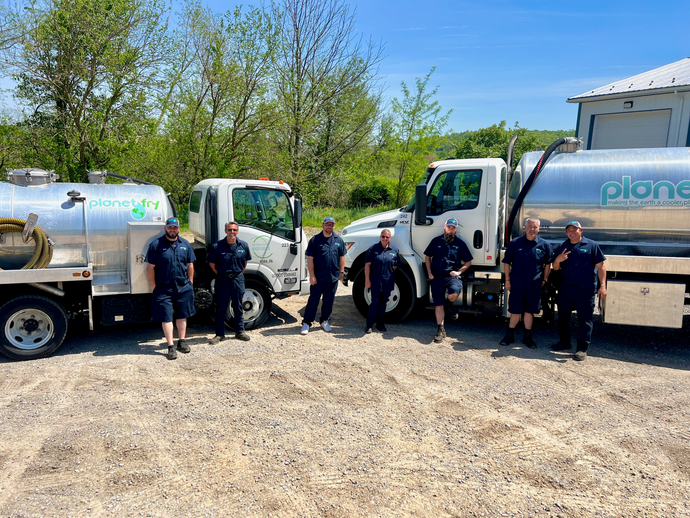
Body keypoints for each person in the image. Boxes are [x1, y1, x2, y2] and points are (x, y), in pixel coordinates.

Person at [551, 221, 607, 361]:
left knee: (585, 319)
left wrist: (603, 286)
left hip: (585, 289)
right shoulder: (563, 246)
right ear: (566, 232)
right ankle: (564, 342)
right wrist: (557, 260)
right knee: (563, 317)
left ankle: (582, 348)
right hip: (566, 288)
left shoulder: (592, 245)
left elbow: (601, 267)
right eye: (569, 230)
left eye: (575, 229)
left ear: (581, 230)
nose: (572, 232)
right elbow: (555, 267)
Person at [147, 217, 196, 360]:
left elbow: (190, 265)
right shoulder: (156, 245)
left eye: (175, 227)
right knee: (166, 317)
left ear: (179, 229)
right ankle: (170, 346)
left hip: (183, 287)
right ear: (165, 228)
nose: (172, 230)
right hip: (163, 288)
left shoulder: (185, 244)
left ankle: (182, 341)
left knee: (182, 315)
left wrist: (190, 283)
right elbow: (150, 267)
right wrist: (153, 286)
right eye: (170, 227)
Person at [500, 218, 553, 348]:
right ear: (525, 228)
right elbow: (506, 262)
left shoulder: (545, 245)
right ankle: (509, 335)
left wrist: (544, 279)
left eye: (535, 227)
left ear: (539, 228)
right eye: (530, 227)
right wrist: (507, 280)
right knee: (515, 310)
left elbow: (548, 264)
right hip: (516, 284)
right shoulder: (515, 243)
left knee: (529, 311)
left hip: (534, 285)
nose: (532, 230)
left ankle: (527, 336)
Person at [424, 218, 473, 343]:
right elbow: (427, 257)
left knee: (454, 293)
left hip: (451, 276)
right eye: (449, 227)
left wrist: (459, 272)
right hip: (437, 276)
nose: (451, 230)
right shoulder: (436, 241)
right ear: (445, 227)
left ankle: (450, 303)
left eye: (453, 228)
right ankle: (440, 330)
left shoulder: (460, 243)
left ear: (456, 229)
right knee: (438, 304)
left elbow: (468, 261)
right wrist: (429, 273)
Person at [207, 222, 252, 344]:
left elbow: (245, 263)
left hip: (238, 278)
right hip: (222, 279)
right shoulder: (217, 246)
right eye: (230, 230)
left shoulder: (244, 246)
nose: (232, 232)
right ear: (225, 231)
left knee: (238, 306)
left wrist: (236, 273)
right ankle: (219, 335)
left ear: (237, 231)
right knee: (221, 307)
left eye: (234, 230)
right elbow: (212, 263)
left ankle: (240, 332)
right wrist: (222, 274)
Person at [300, 216, 346, 335]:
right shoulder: (315, 240)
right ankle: (307, 323)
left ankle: (324, 320)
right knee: (313, 300)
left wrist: (341, 271)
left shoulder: (338, 240)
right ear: (323, 225)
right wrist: (312, 275)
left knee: (329, 301)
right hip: (318, 277)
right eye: (327, 224)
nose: (329, 227)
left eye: (331, 225)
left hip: (332, 277)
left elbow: (342, 257)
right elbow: (310, 258)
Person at [364, 229, 399, 334]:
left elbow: (396, 265)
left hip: (387, 282)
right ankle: (369, 324)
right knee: (374, 302)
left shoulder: (395, 250)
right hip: (375, 281)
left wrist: (388, 273)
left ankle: (380, 324)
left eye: (387, 237)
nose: (385, 238)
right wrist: (367, 280)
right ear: (380, 237)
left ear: (390, 238)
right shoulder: (373, 249)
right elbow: (367, 265)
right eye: (383, 236)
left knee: (383, 303)